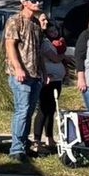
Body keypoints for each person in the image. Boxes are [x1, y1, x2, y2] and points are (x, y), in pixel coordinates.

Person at [4, 0, 46, 161]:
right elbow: (10, 45)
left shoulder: (36, 23)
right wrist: (18, 68)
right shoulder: (15, 20)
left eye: (38, 0)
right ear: (24, 3)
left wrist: (44, 72)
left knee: (28, 112)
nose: (37, 2)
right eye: (33, 0)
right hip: (20, 75)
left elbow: (39, 50)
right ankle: (16, 149)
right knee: (22, 110)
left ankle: (23, 144)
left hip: (35, 74)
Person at [35, 12, 68, 154]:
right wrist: (64, 57)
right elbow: (55, 58)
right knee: (43, 109)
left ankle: (49, 137)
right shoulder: (44, 42)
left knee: (51, 109)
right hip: (47, 79)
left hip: (57, 80)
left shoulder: (54, 41)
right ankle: (37, 140)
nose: (53, 32)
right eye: (50, 31)